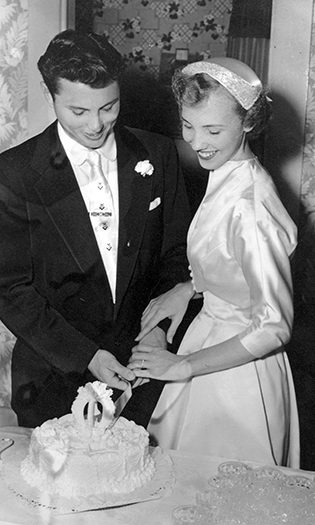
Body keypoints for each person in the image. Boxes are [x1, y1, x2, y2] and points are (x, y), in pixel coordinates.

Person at [0, 30, 191, 428]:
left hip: (147, 368)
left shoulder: (158, 155)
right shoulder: (10, 174)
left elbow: (177, 253)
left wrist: (157, 331)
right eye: (78, 111)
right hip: (54, 376)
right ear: (50, 97)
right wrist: (86, 356)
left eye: (109, 107)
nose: (96, 125)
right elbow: (7, 288)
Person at [129, 57, 300, 468]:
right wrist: (191, 287)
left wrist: (183, 366)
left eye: (212, 130)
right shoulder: (226, 173)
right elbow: (228, 258)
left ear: (248, 123)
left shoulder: (251, 205)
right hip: (209, 344)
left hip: (239, 373)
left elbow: (275, 325)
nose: (197, 141)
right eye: (188, 125)